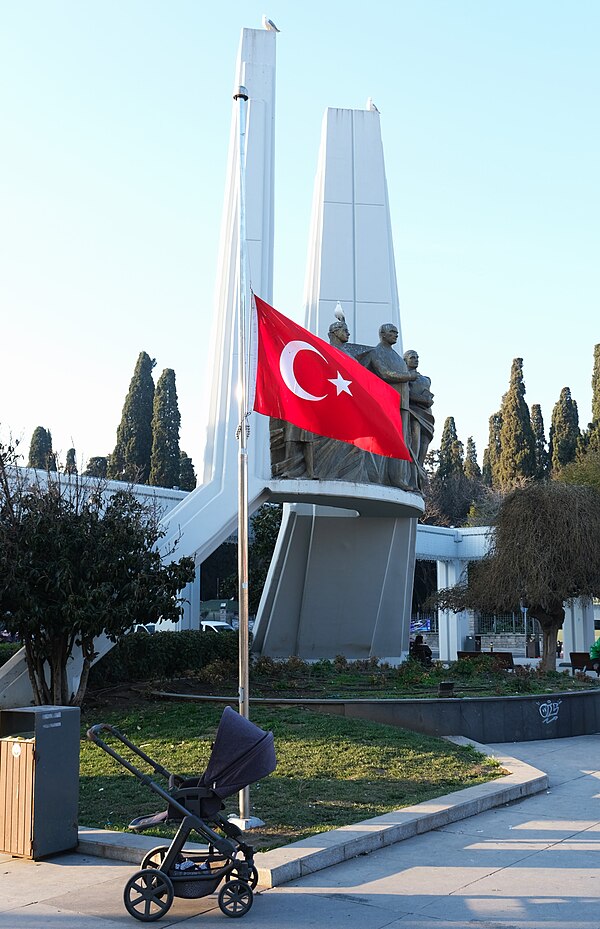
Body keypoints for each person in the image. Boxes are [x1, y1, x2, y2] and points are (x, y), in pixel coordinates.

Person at [403, 349, 435, 473]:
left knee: (425, 441)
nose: (416, 359)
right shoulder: (405, 377)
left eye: (417, 357)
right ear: (405, 360)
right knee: (414, 443)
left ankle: (419, 469)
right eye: (412, 357)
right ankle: (413, 470)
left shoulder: (426, 379)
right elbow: (406, 394)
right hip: (413, 412)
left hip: (427, 413)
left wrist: (428, 400)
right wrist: (423, 399)